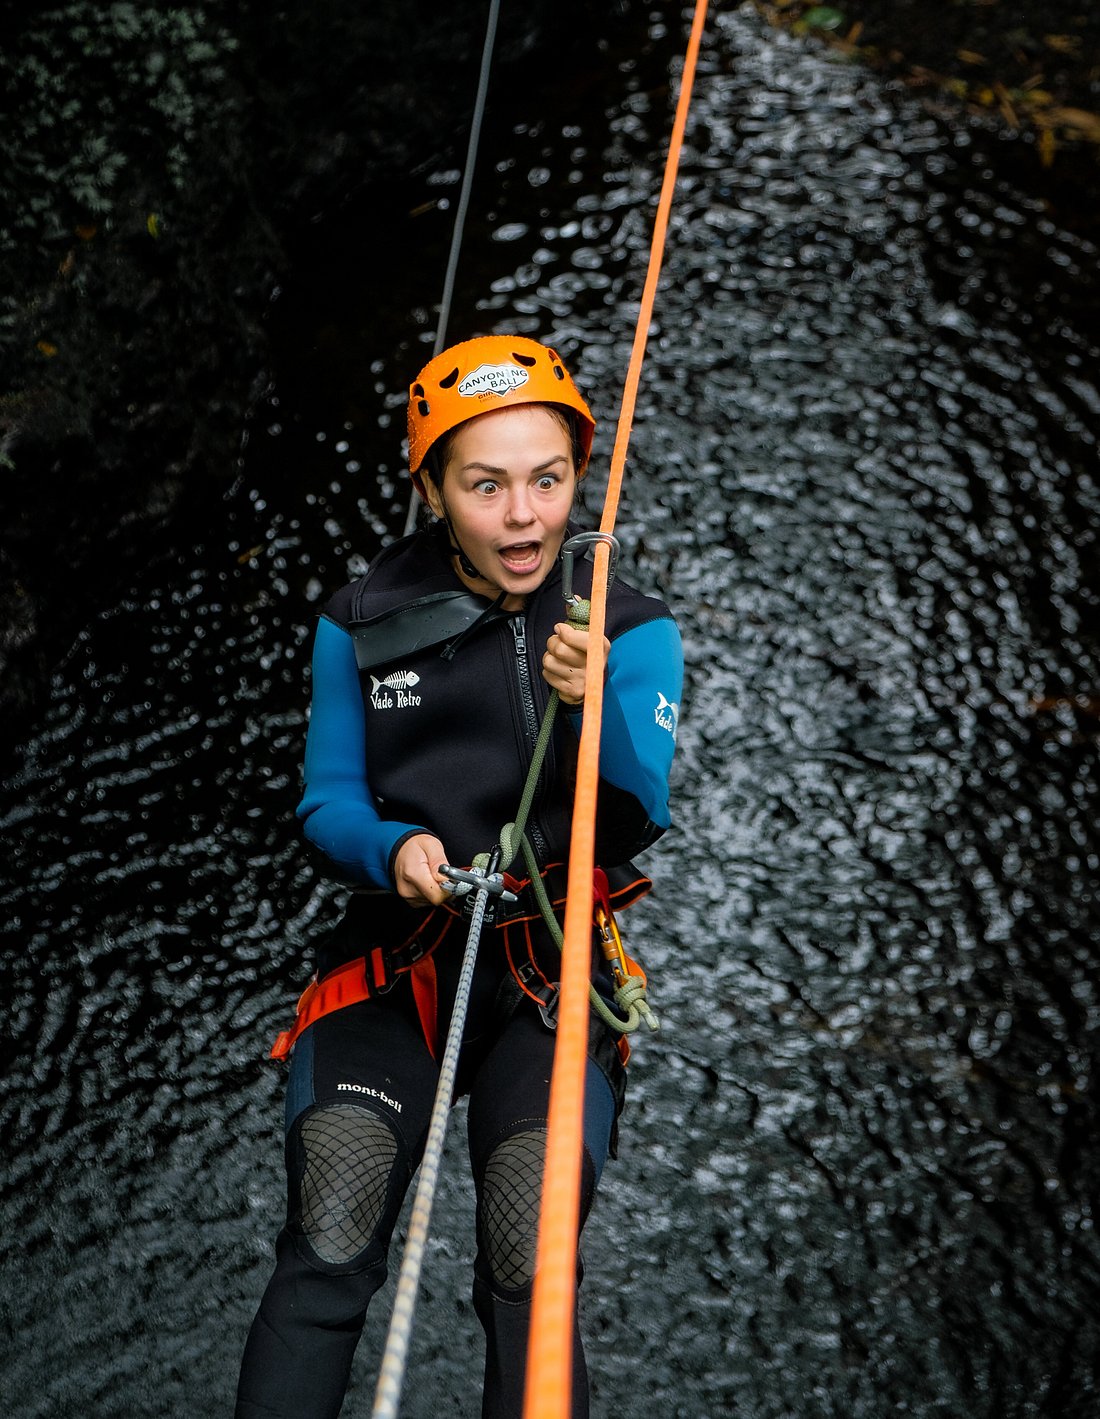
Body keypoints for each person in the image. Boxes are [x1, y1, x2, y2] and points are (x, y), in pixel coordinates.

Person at [235, 334, 682, 1419]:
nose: (525, 517)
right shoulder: (359, 623)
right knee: (332, 1226)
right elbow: (326, 801)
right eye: (485, 486)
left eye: (548, 479)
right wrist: (391, 851)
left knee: (528, 1262)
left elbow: (634, 818)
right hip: (404, 954)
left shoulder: (625, 625)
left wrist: (592, 707)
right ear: (432, 490)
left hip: (541, 968)